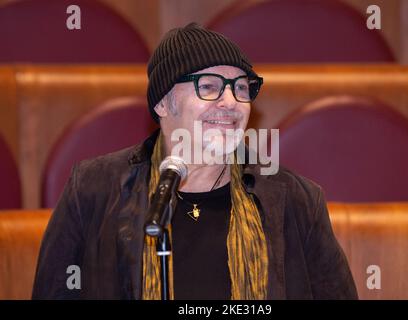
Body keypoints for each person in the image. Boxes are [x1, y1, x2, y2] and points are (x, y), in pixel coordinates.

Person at [32, 23, 357, 300]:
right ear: (163, 102)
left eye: (241, 88)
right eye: (209, 87)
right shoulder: (92, 190)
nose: (230, 101)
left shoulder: (297, 201)